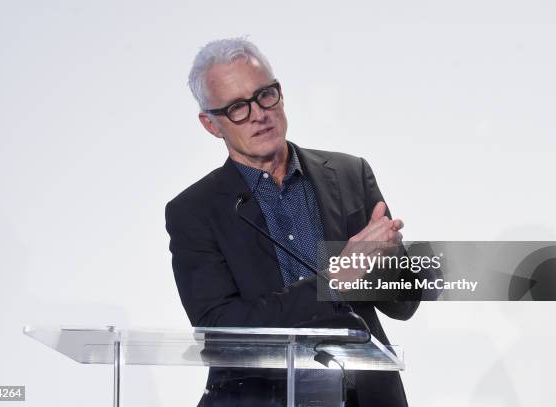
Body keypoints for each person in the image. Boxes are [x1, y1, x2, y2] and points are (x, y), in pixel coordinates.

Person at [166, 37, 420, 407]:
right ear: (211, 125)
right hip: (257, 396)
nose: (258, 113)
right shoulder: (195, 210)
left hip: (362, 395)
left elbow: (403, 305)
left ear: (280, 94)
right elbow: (220, 329)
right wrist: (334, 280)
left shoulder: (349, 173)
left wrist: (392, 261)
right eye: (237, 107)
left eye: (264, 95)